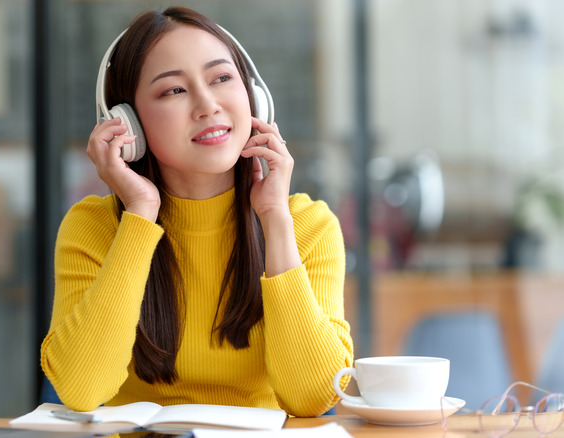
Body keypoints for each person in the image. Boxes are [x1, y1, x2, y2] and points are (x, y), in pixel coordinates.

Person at [41, 6, 353, 418]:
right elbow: (81, 389)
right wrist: (140, 213)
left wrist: (275, 217)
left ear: (254, 98)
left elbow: (313, 396)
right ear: (127, 124)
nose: (207, 105)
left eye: (222, 78)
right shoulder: (94, 227)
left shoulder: (308, 225)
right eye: (174, 90)